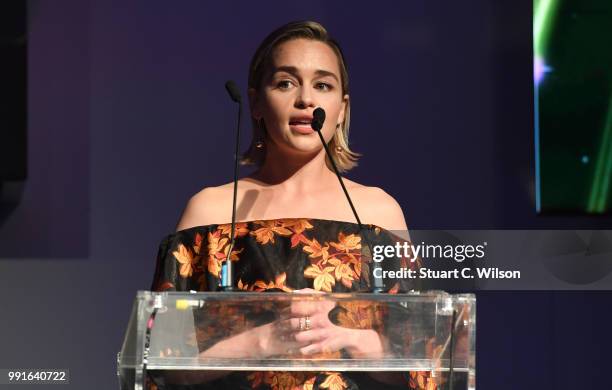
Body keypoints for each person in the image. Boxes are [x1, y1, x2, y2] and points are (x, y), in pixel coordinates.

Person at [150, 21, 438, 390]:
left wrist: (345, 338)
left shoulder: (377, 213)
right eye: (286, 83)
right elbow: (158, 365)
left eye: (323, 85)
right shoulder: (209, 212)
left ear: (341, 109)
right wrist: (263, 342)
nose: (306, 99)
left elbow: (424, 361)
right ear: (255, 102)